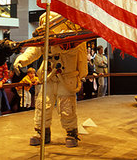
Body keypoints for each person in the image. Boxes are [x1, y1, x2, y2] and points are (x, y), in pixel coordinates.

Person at [13, 12, 88, 148]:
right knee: (43, 105)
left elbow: (78, 54)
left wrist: (82, 74)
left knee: (66, 107)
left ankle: (71, 133)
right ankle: (41, 132)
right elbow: (34, 50)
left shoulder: (74, 36)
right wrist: (21, 60)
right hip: (48, 75)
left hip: (66, 76)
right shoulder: (46, 37)